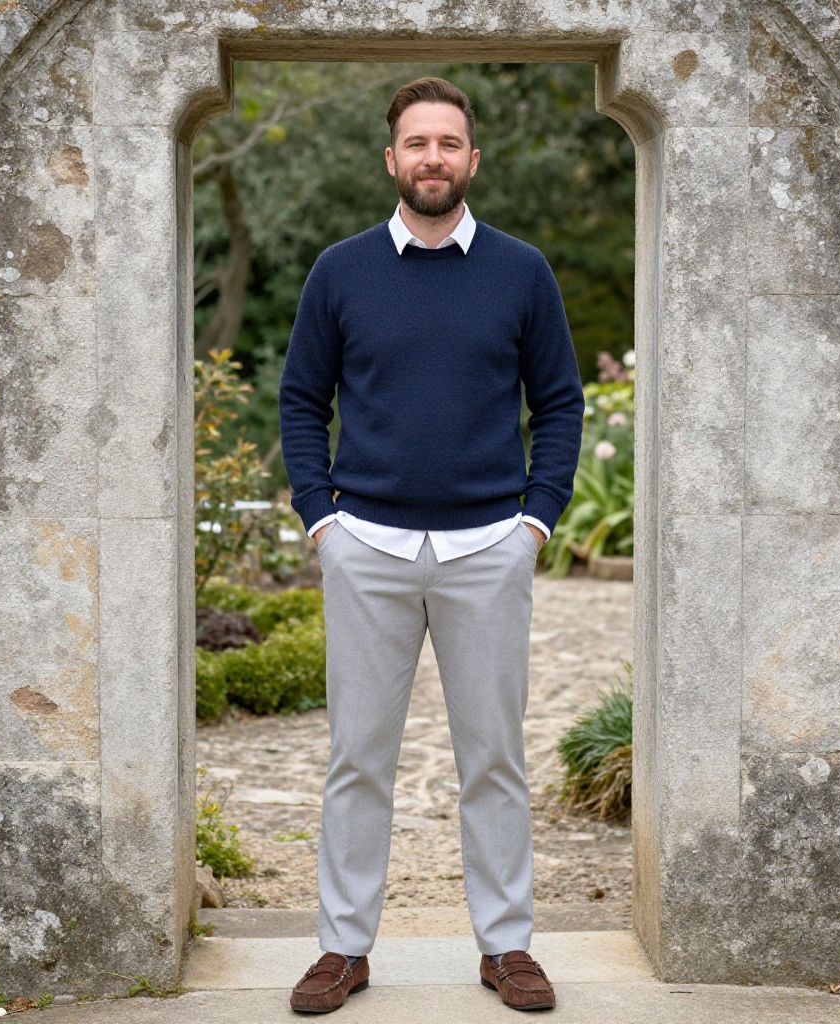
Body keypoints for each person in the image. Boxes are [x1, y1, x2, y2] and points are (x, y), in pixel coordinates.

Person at [280, 75, 584, 1013]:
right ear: (392, 160)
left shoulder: (522, 271)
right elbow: (302, 399)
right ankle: (343, 949)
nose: (433, 158)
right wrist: (321, 520)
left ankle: (506, 946)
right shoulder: (340, 271)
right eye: (417, 143)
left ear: (472, 159)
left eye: (449, 143)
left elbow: (559, 402)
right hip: (365, 547)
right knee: (357, 760)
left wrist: (535, 521)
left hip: (488, 548)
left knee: (493, 760)